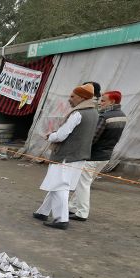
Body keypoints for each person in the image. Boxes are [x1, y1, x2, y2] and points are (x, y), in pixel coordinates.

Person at [33, 83, 98, 229]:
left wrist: (50, 136)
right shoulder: (94, 113)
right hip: (79, 156)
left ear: (82, 97)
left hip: (66, 156)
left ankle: (61, 219)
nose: (70, 99)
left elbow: (61, 135)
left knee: (60, 186)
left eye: (73, 96)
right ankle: (43, 211)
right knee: (57, 184)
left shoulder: (78, 113)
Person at [68, 89, 126, 222]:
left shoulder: (104, 117)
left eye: (103, 100)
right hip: (106, 155)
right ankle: (72, 207)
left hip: (94, 156)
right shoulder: (122, 115)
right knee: (84, 183)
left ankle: (82, 212)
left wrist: (79, 151)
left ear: (112, 101)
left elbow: (92, 138)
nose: (100, 103)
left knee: (83, 184)